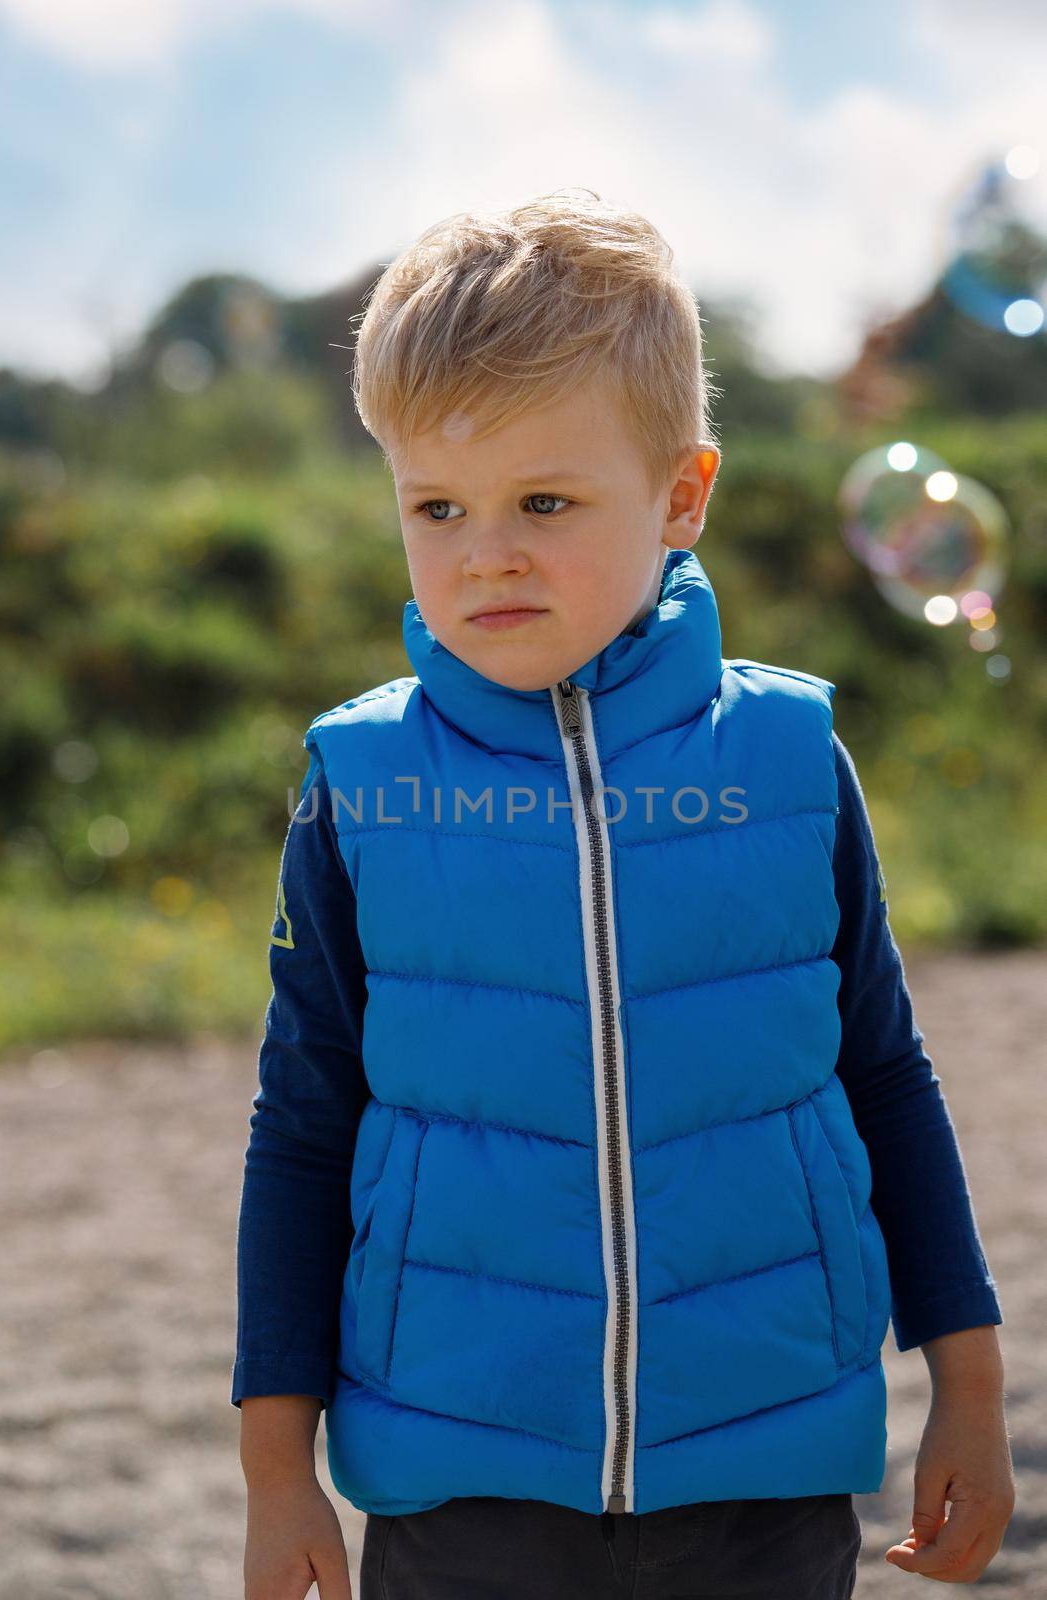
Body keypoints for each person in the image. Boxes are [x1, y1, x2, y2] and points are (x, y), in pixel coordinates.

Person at [232, 190, 1014, 1599]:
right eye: (437, 505)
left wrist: (968, 1383)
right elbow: (303, 1125)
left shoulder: (785, 759)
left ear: (680, 495)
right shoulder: (360, 783)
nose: (487, 553)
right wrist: (276, 1470)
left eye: (545, 500)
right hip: (464, 1490)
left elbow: (886, 1076)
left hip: (763, 1487)